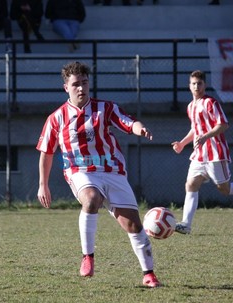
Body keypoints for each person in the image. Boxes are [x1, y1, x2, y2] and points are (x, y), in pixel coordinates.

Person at [36, 61, 161, 288]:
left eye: (85, 83)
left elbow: (129, 122)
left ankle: (149, 274)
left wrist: (139, 128)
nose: (81, 88)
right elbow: (46, 153)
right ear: (66, 87)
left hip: (112, 171)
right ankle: (88, 257)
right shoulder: (56, 118)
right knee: (92, 198)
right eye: (76, 84)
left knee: (133, 226)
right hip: (80, 172)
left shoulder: (106, 108)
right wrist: (43, 184)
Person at [171, 70, 233, 235]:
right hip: (199, 154)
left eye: (199, 83)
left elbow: (223, 124)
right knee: (191, 184)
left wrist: (206, 136)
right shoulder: (190, 106)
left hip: (215, 152)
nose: (196, 86)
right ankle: (186, 224)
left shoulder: (211, 103)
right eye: (193, 83)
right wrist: (183, 143)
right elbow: (195, 128)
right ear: (189, 86)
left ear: (204, 85)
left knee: (224, 189)